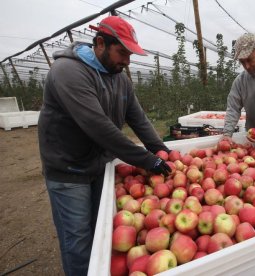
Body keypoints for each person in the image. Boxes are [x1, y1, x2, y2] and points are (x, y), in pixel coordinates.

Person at [38, 16, 171, 276]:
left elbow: (138, 119)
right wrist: (147, 160)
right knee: (78, 241)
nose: (127, 61)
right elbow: (97, 126)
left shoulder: (119, 78)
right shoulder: (68, 72)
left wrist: (162, 150)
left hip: (100, 166)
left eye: (130, 54)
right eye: (122, 53)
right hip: (69, 170)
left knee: (102, 234)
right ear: (100, 43)